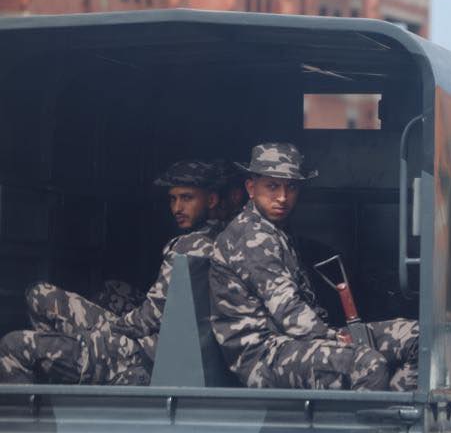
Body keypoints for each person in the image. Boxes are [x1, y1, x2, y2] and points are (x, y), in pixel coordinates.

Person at [210, 142, 418, 391]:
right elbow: (288, 312)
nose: (283, 197)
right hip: (264, 355)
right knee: (367, 365)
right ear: (251, 188)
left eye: (291, 187)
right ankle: (372, 416)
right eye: (272, 186)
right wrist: (336, 338)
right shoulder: (250, 235)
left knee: (417, 339)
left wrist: (336, 336)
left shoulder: (275, 230)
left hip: (296, 341)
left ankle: (394, 407)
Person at [0, 160, 226, 385]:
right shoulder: (223, 239)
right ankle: (67, 363)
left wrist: (103, 332)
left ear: (211, 200)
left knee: (13, 345)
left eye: (187, 198)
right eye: (173, 199)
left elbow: (149, 319)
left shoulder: (190, 247)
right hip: (151, 344)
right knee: (40, 294)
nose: (177, 208)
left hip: (140, 356)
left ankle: (58, 382)